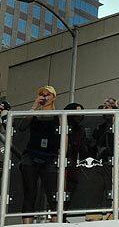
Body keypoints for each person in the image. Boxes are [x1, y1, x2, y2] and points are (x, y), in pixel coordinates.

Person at [20, 86, 60, 224]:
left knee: (52, 194)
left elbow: (63, 135)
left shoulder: (58, 115)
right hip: (31, 155)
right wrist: (35, 106)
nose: (44, 97)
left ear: (54, 97)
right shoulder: (35, 113)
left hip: (50, 157)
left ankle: (56, 223)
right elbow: (21, 126)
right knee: (30, 193)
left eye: (47, 94)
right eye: (41, 94)